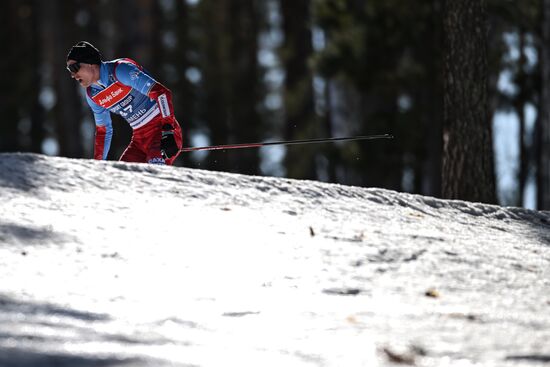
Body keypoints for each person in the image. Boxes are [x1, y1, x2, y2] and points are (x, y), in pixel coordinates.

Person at [66, 41, 182, 165]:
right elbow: (103, 131)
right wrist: (97, 165)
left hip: (161, 132)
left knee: (154, 176)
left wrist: (168, 131)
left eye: (74, 68)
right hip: (139, 139)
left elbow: (162, 93)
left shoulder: (121, 70)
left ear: (90, 63)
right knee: (122, 178)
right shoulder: (92, 95)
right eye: (69, 70)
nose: (73, 75)